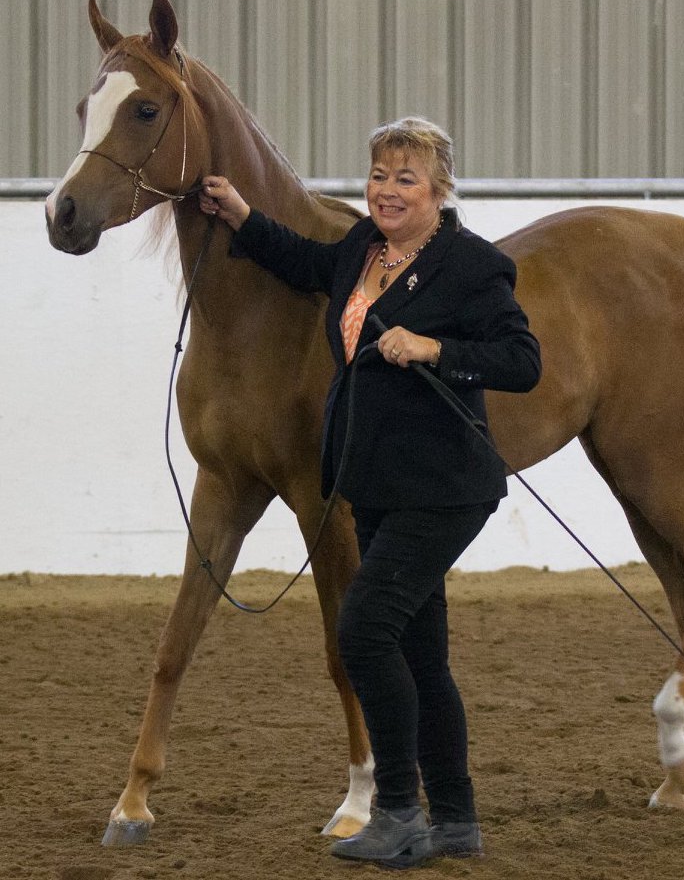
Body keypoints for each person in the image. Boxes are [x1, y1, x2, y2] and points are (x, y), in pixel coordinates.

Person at [200, 116, 541, 868]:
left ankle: (397, 811)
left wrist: (433, 348)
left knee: (363, 632)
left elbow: (521, 361)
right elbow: (305, 261)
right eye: (379, 175)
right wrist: (242, 215)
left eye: (405, 179)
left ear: (439, 191)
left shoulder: (472, 265)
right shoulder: (362, 248)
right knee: (422, 656)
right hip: (378, 484)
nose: (387, 190)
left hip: (443, 487)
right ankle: (455, 819)